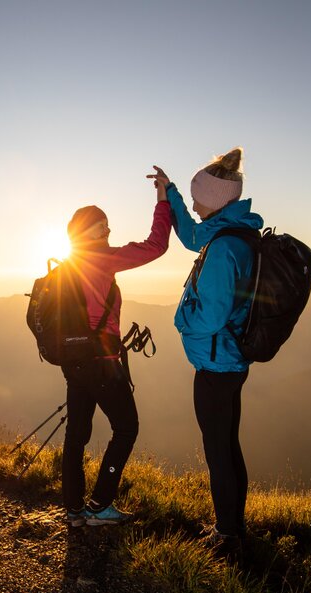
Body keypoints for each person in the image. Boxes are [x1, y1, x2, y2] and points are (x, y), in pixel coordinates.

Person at [147, 148, 262, 553]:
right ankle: (234, 526)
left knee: (218, 450)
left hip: (217, 364)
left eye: (198, 200)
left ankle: (226, 535)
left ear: (215, 200)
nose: (194, 208)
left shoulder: (225, 249)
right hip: (230, 358)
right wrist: (172, 192)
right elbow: (193, 235)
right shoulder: (234, 232)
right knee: (227, 444)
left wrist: (180, 321)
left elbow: (210, 315)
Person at [60, 175, 171, 527]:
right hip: (102, 364)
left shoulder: (66, 267)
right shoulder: (103, 259)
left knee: (76, 435)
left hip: (73, 362)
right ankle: (100, 505)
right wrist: (163, 200)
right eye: (102, 226)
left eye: (108, 225)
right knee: (126, 428)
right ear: (87, 232)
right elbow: (156, 246)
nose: (108, 230)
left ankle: (74, 510)